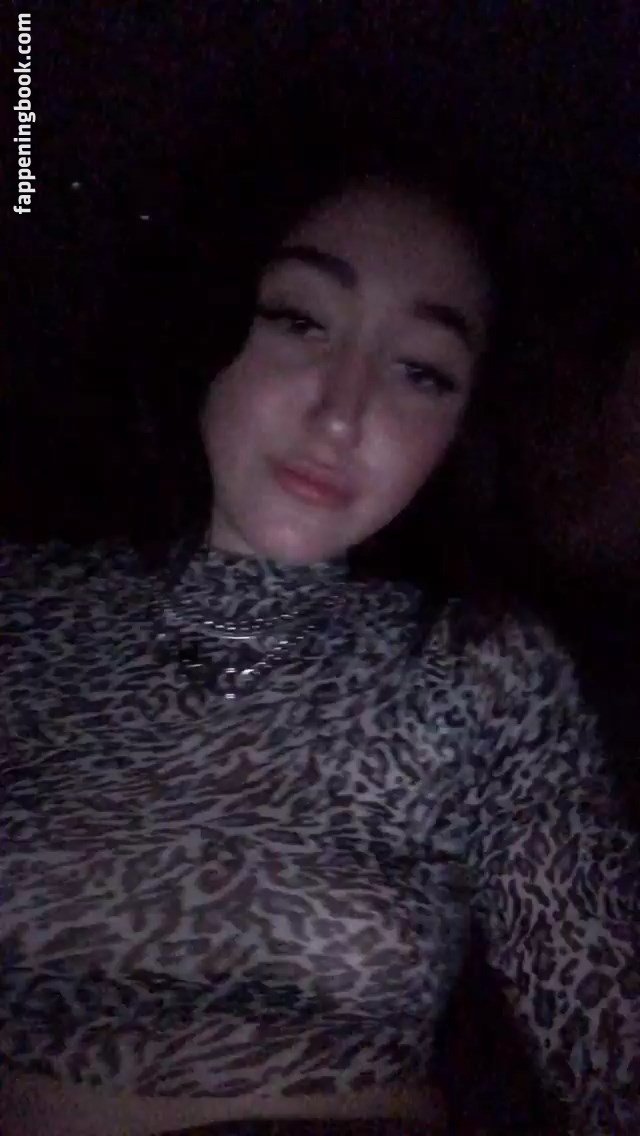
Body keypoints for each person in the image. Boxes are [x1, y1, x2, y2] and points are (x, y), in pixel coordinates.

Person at [1, 158, 638, 1136]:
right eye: (300, 320)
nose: (343, 411)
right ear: (210, 316)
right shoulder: (25, 613)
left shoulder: (481, 666)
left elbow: (609, 1025)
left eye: (421, 371)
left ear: (458, 427)